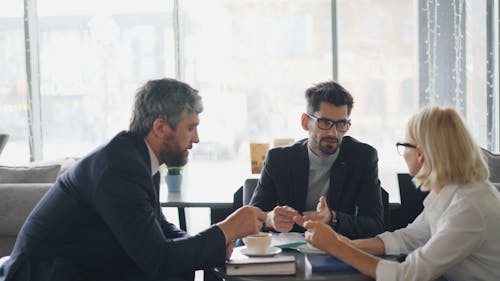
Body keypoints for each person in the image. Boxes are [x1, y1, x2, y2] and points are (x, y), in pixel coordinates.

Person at [0, 78, 267, 281]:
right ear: (160, 127)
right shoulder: (120, 168)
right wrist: (225, 230)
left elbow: (158, 226)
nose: (196, 139)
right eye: (190, 127)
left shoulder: (137, 157)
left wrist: (211, 242)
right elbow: (158, 259)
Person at [304, 106, 500, 281]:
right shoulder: (450, 194)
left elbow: (407, 275)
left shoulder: (468, 207)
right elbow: (408, 238)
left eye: (405, 145)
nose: (403, 153)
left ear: (421, 154)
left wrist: (337, 247)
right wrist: (341, 242)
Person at [249, 81, 384, 238]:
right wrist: (269, 220)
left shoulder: (362, 158)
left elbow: (376, 225)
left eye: (341, 124)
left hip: (338, 252)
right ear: (306, 122)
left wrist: (332, 218)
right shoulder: (279, 160)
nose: (333, 133)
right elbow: (252, 219)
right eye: (325, 122)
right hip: (289, 252)